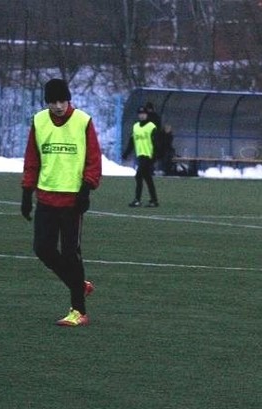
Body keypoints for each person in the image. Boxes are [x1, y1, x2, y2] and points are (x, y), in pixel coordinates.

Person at [20, 78, 102, 327]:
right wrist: (26, 193)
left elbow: (93, 159)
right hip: (45, 197)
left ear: (69, 99)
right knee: (42, 249)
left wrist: (86, 189)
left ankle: (79, 310)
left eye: (62, 101)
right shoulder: (39, 121)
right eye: (53, 101)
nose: (58, 106)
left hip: (72, 201)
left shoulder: (83, 121)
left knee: (70, 254)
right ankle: (78, 284)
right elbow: (32, 160)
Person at [122, 106, 159, 208]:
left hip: (148, 156)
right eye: (140, 114)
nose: (142, 115)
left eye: (144, 114)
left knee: (138, 176)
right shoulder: (136, 127)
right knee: (147, 178)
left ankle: (137, 200)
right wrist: (126, 153)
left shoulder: (151, 127)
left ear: (147, 115)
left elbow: (156, 144)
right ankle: (154, 200)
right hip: (140, 156)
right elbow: (132, 142)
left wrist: (154, 156)